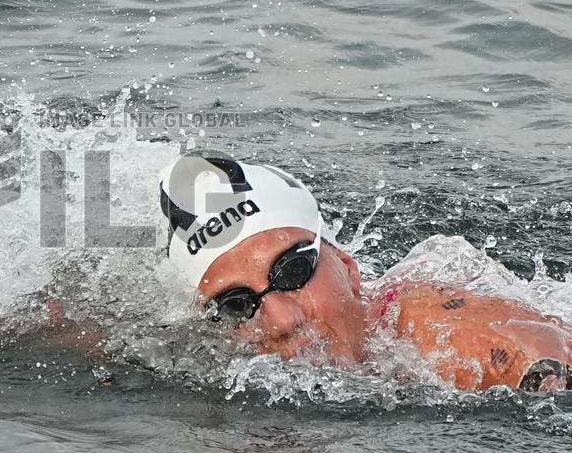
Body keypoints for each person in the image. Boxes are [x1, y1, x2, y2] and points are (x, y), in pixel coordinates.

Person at [158, 151, 572, 392]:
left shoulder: (439, 335)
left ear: (348, 268)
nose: (282, 320)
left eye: (292, 271)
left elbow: (540, 361)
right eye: (236, 305)